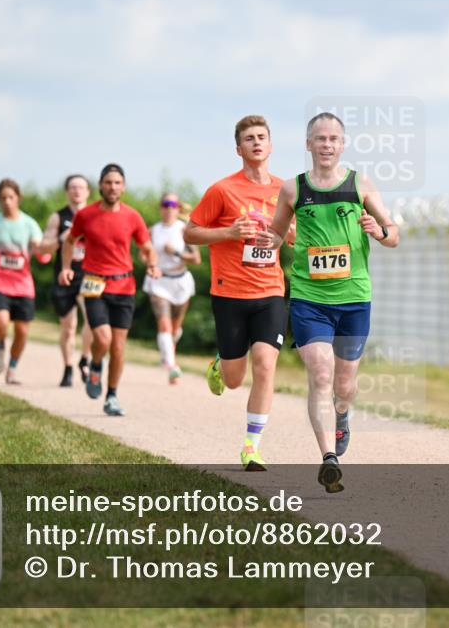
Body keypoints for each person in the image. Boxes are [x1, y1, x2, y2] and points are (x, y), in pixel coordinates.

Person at [263, 112, 399, 491]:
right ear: (308, 144)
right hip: (309, 297)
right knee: (320, 372)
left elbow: (394, 235)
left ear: (342, 145)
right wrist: (262, 243)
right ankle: (328, 458)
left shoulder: (360, 184)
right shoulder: (292, 189)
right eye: (319, 139)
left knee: (345, 385)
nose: (326, 145)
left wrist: (379, 229)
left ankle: (342, 417)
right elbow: (277, 236)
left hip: (354, 297)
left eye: (333, 139)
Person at [185, 116, 296, 471]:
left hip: (270, 291)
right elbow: (190, 233)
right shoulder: (222, 190)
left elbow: (298, 235)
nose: (257, 143)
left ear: (271, 145)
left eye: (262, 137)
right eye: (249, 138)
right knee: (234, 380)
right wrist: (230, 233)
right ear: (239, 149)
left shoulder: (286, 190)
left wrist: (286, 233)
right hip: (230, 293)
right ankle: (222, 363)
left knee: (265, 364)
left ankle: (252, 446)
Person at [59, 163, 160, 416]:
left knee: (117, 347)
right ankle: (95, 366)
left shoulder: (133, 216)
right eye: (108, 182)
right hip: (94, 282)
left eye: (117, 183)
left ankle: (112, 396)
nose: (112, 187)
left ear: (123, 187)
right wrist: (65, 267)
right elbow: (70, 241)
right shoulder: (86, 215)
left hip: (124, 286)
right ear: (100, 186)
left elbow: (146, 247)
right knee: (102, 339)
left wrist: (152, 264)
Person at [0, 179, 44, 385]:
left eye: (11, 197)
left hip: (23, 284)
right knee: (0, 322)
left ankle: (13, 367)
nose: (7, 202)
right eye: (3, 198)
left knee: (22, 331)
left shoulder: (29, 224)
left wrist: (41, 250)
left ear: (18, 199)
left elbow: (41, 252)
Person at [40, 174, 94, 387]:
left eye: (81, 187)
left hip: (89, 273)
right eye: (73, 187)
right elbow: (43, 247)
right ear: (67, 191)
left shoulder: (94, 215)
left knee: (92, 319)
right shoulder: (58, 217)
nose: (77, 191)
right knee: (68, 326)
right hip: (64, 274)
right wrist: (61, 239)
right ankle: (68, 367)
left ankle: (85, 358)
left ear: (88, 191)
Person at [144, 192, 201, 384]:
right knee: (164, 325)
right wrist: (150, 262)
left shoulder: (184, 230)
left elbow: (196, 259)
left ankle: (168, 355)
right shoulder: (153, 231)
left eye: (173, 205)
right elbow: (142, 256)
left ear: (178, 208)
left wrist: (175, 252)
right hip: (159, 281)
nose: (169, 208)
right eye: (165, 204)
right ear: (160, 207)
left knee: (175, 329)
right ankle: (171, 366)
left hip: (181, 282)